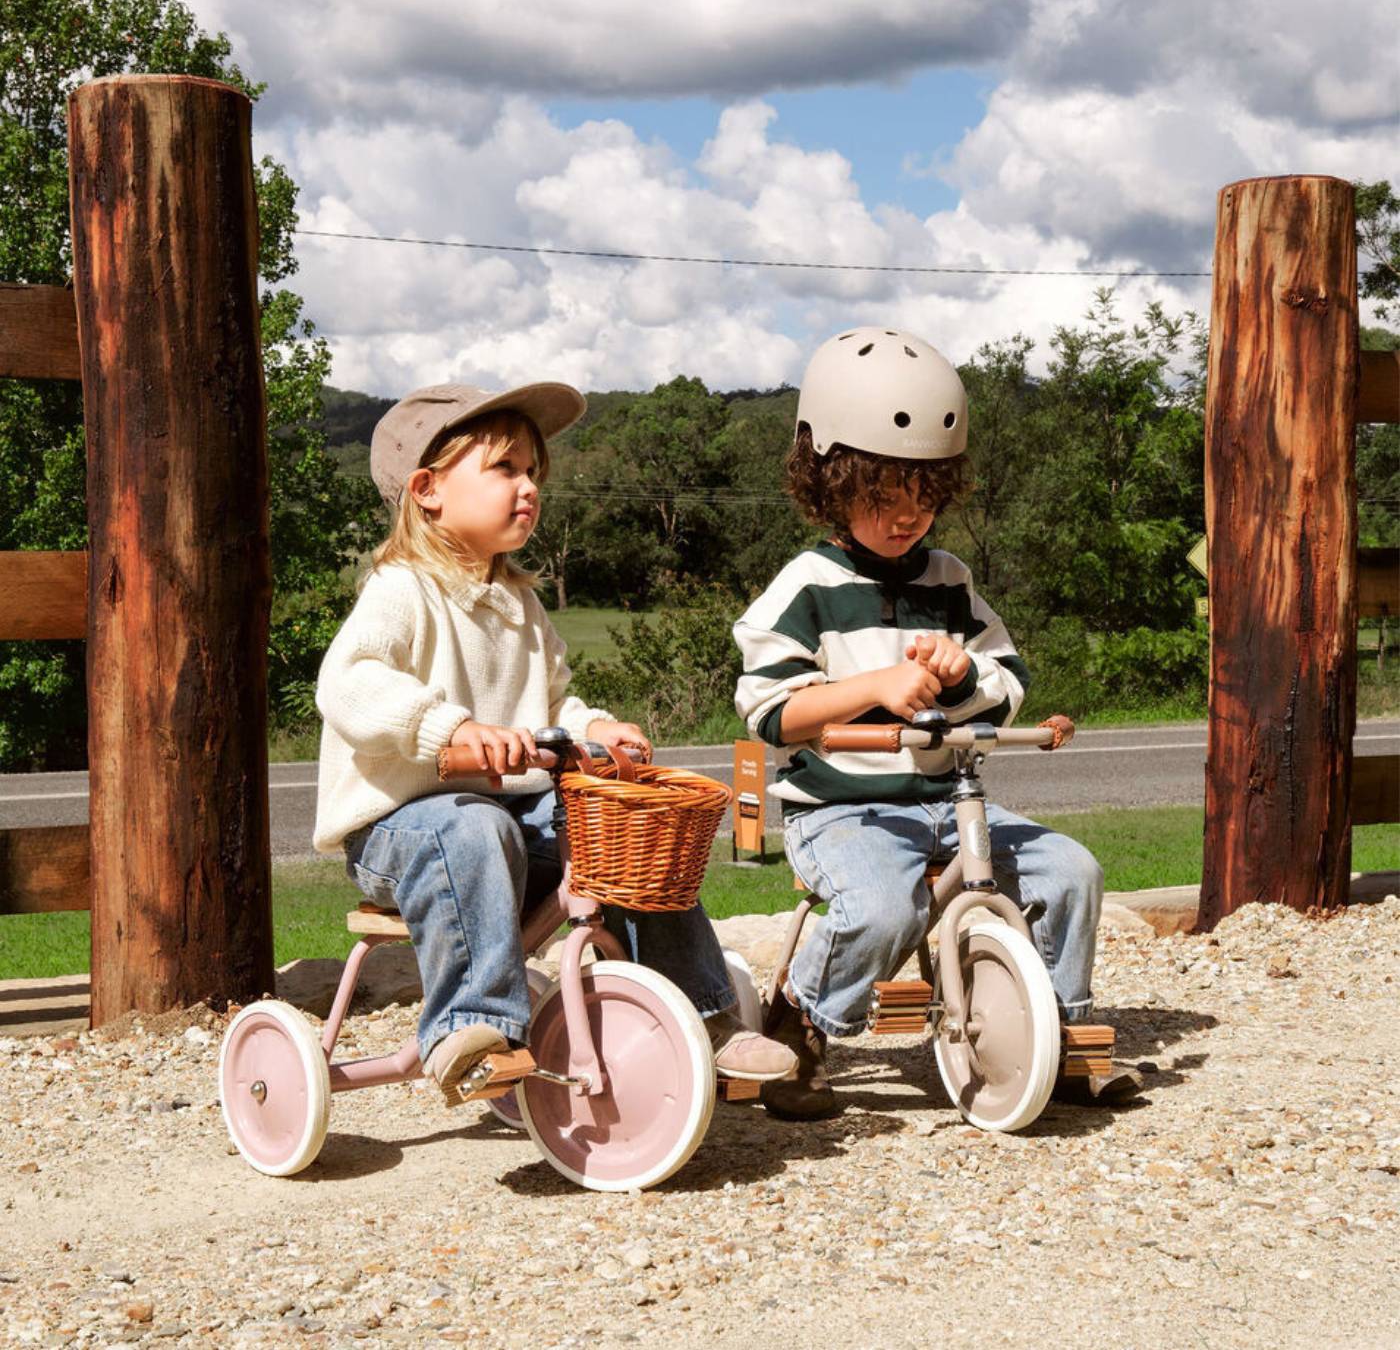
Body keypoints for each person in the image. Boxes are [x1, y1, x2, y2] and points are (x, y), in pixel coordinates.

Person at [313, 381, 795, 1104]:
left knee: (625, 825)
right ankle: (473, 1025)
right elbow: (348, 682)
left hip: (506, 823)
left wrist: (592, 727)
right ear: (428, 490)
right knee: (471, 827)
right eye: (505, 469)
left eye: (533, 471)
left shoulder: (520, 603)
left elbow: (552, 704)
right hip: (402, 828)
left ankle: (701, 1013)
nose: (529, 486)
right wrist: (451, 729)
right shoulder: (402, 590)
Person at [733, 327, 1140, 1119]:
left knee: (1072, 872)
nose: (907, 516)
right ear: (829, 482)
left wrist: (964, 675)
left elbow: (1008, 680)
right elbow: (772, 713)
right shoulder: (806, 586)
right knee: (885, 908)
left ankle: (1057, 1031)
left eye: (924, 497)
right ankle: (802, 1022)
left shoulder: (950, 581)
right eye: (883, 495)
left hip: (948, 800)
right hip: (843, 807)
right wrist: (873, 686)